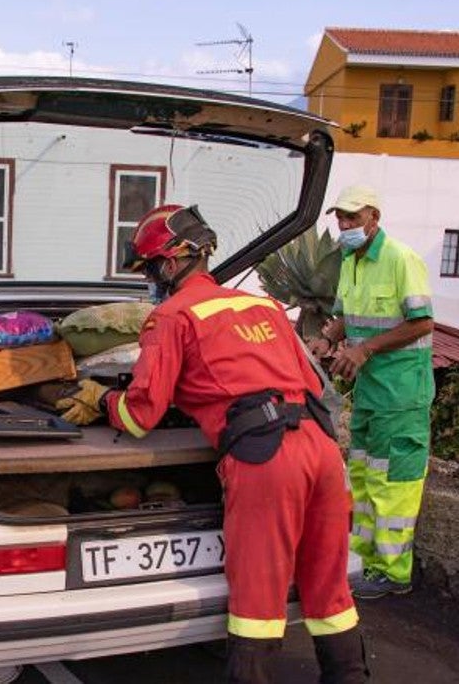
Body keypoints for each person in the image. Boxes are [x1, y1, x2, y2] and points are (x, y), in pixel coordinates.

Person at [57, 205, 367, 683]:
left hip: (266, 458)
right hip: (321, 449)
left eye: (148, 269)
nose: (150, 281)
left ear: (169, 262)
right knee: (329, 592)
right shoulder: (263, 307)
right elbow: (311, 383)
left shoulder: (172, 317)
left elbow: (140, 416)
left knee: (258, 600)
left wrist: (102, 399)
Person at [308, 184, 434, 600]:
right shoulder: (351, 260)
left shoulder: (401, 259)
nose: (344, 225)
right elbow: (347, 314)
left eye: (353, 218)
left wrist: (364, 350)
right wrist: (329, 338)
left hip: (401, 392)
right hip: (370, 392)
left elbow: (421, 323)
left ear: (373, 218)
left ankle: (394, 572)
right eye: (340, 218)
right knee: (363, 476)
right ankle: (366, 563)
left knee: (392, 483)